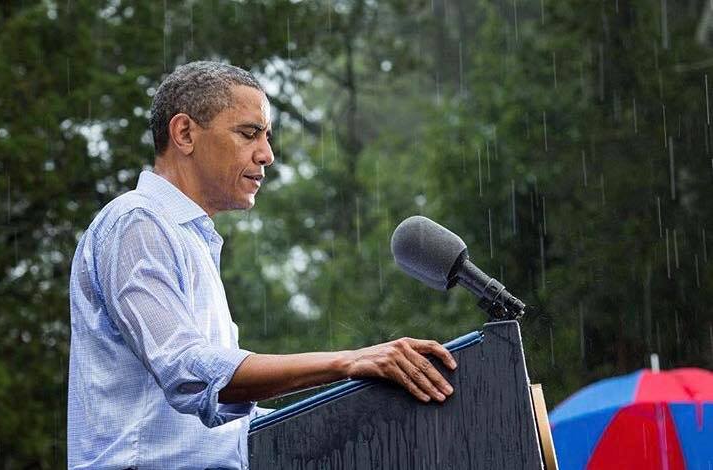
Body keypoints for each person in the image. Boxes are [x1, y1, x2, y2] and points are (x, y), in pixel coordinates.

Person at [67, 61, 457, 469]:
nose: (267, 155)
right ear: (184, 133)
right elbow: (188, 370)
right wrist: (348, 362)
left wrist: (374, 413)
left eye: (267, 137)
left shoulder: (188, 239)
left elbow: (229, 427)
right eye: (248, 133)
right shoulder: (137, 223)